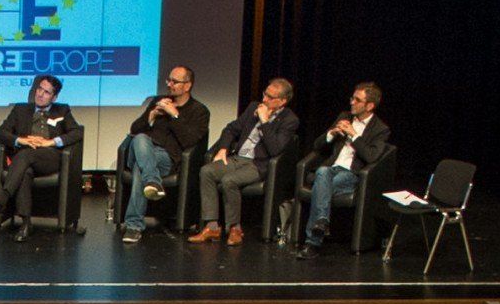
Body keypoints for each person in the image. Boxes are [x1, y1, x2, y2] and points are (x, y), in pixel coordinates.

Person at [190, 78, 298, 243]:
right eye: (264, 94)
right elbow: (231, 128)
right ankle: (212, 227)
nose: (264, 100)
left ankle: (235, 229)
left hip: (258, 164)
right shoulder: (253, 107)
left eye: (270, 97)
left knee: (229, 181)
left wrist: (264, 122)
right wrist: (223, 148)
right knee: (207, 171)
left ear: (282, 101)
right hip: (237, 157)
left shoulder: (289, 120)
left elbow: (275, 149)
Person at [296, 82, 391, 254]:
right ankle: (322, 221)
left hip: (352, 174)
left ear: (369, 105)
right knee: (323, 172)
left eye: (357, 100)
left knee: (321, 178)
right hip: (330, 169)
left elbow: (371, 156)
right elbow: (317, 146)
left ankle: (313, 243)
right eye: (352, 98)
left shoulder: (380, 129)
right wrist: (331, 134)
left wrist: (354, 135)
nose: (352, 102)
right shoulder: (344, 116)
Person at [118, 63, 209, 241]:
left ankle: (134, 226)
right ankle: (153, 182)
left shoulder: (199, 111)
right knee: (140, 139)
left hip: (167, 158)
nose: (170, 84)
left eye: (175, 81)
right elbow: (135, 129)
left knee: (140, 168)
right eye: (169, 80)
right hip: (141, 150)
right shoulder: (158, 101)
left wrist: (174, 115)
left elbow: (190, 141)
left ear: (187, 85)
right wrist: (151, 115)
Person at [0, 76, 78, 240]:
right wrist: (21, 140)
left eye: (46, 92)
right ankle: (25, 223)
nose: (40, 94)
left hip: (50, 157)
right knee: (25, 171)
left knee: (25, 154)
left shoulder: (62, 110)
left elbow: (76, 132)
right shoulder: (20, 110)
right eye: (39, 89)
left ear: (54, 97)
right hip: (25, 159)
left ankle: (2, 199)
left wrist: (51, 142)